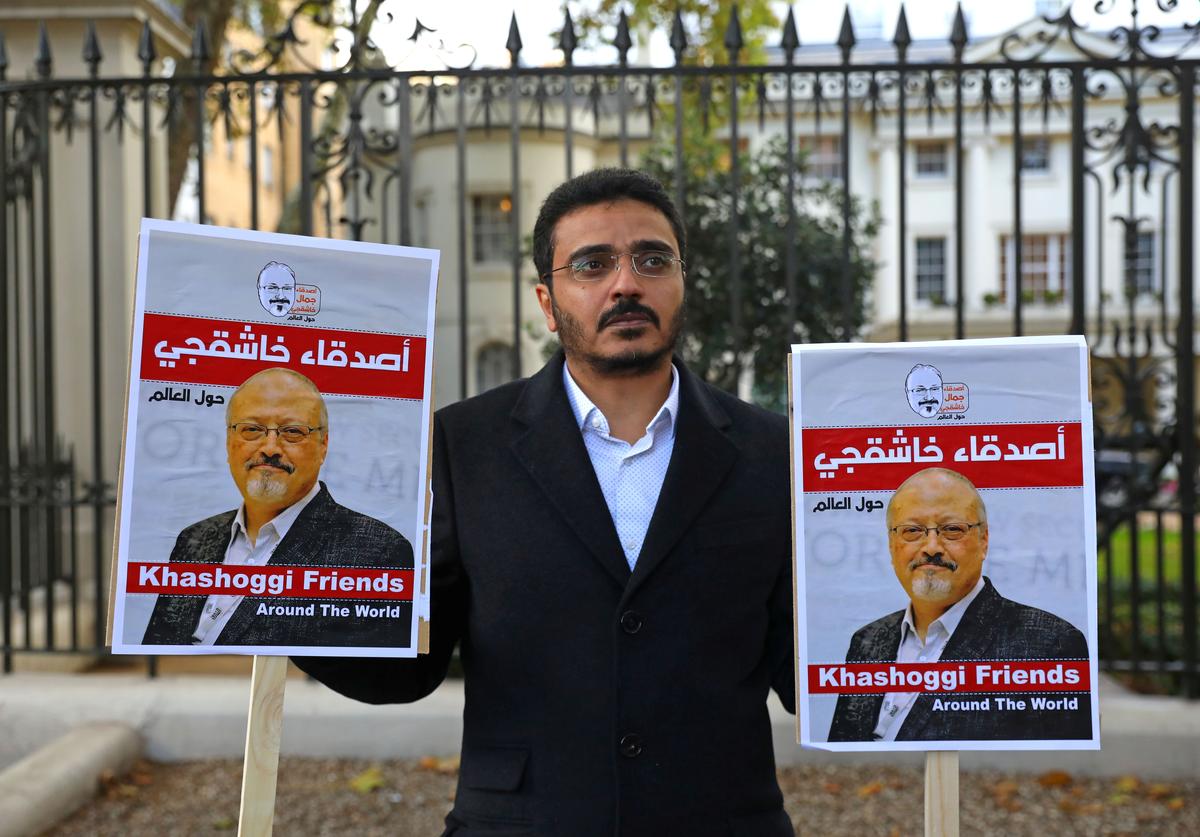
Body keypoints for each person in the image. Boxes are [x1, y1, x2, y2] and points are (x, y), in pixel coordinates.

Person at [294, 168, 796, 836]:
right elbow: (411, 663)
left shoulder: (775, 451)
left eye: (652, 258)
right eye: (592, 264)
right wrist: (283, 607)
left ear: (682, 280)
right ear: (546, 299)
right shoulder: (461, 442)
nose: (626, 283)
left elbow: (810, 669)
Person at [141, 367, 414, 647]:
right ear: (228, 442)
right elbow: (157, 648)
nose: (270, 448)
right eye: (251, 430)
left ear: (324, 446)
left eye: (292, 432)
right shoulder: (194, 540)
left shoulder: (377, 552)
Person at [827, 467, 1092, 742]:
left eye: (952, 530)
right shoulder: (867, 642)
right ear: (892, 545)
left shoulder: (1048, 644)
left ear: (984, 540)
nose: (931, 547)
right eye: (912, 531)